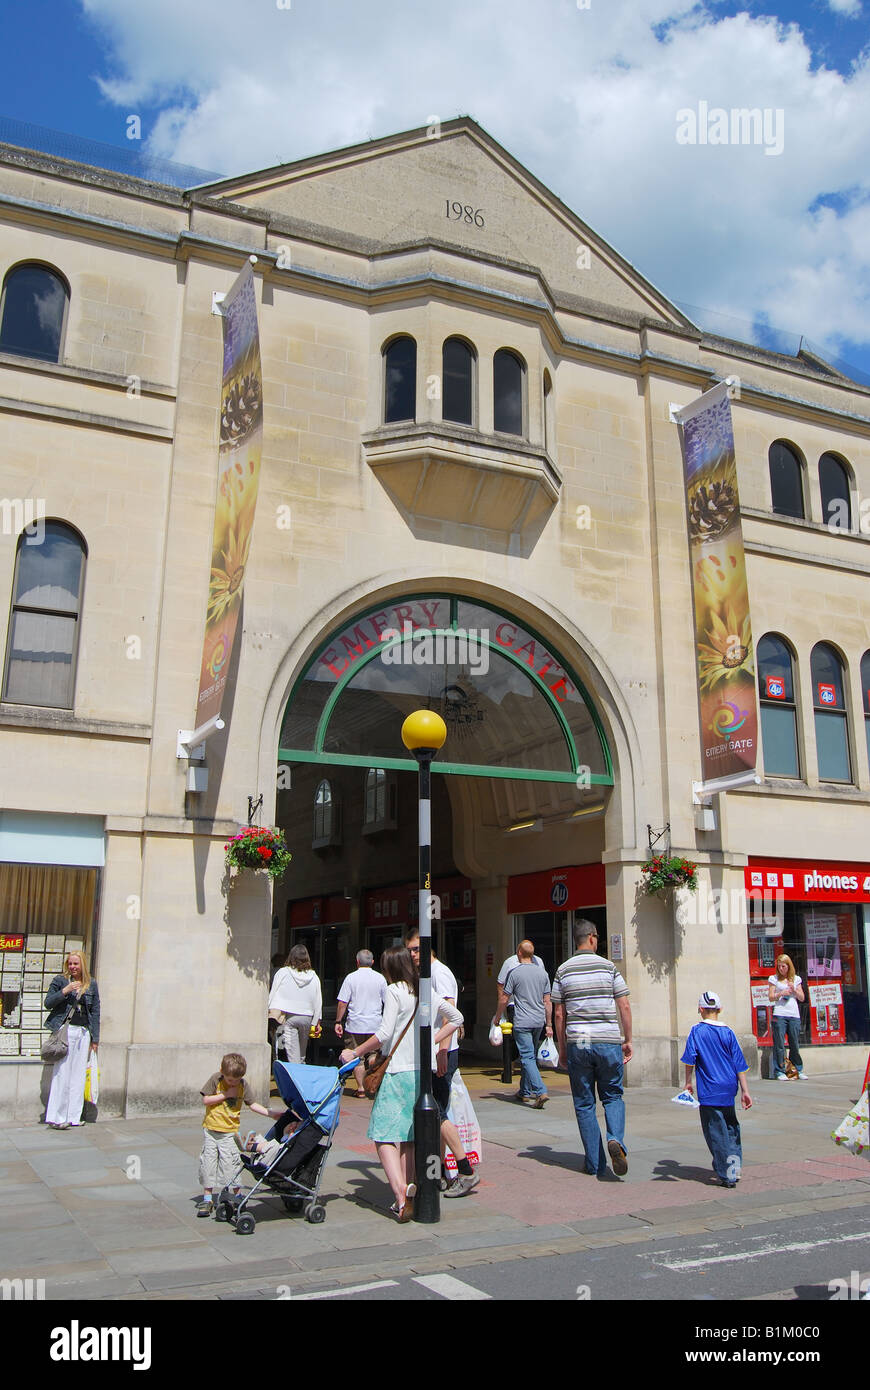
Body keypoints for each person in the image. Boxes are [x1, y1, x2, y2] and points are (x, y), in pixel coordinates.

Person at [339, 946, 463, 1220]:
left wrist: (355, 1052)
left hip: (398, 1073)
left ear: (390, 968)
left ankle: (398, 1192)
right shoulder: (426, 991)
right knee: (408, 1138)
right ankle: (411, 1188)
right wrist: (430, 1041)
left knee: (383, 1133)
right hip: (423, 1073)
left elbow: (383, 1033)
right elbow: (457, 1018)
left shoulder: (395, 992)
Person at [552, 919, 632, 1178]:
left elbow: (559, 1013)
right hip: (608, 1040)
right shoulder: (609, 967)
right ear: (593, 938)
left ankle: (594, 1163)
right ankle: (615, 1138)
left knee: (584, 1103)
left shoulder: (563, 970)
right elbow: (624, 1005)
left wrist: (561, 1048)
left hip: (580, 1041)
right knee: (612, 1096)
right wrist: (627, 1039)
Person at [405, 931, 480, 1198]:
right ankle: (436, 1173)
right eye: (409, 951)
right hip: (436, 1052)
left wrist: (440, 1049)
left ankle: (465, 1170)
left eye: (416, 949)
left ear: (428, 948)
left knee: (438, 1112)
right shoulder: (427, 974)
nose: (412, 955)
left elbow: (451, 1016)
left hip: (442, 1053)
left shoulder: (439, 974)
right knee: (435, 1111)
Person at [197, 1051, 283, 1216]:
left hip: (229, 1132)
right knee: (208, 1163)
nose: (234, 1083)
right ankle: (207, 1199)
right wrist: (224, 1095)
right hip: (211, 1130)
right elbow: (206, 1100)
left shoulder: (242, 1085)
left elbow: (252, 1104)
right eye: (230, 1080)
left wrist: (270, 1113)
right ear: (222, 1072)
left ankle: (237, 1195)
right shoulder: (216, 1079)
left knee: (231, 1164)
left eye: (237, 1080)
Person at [681, 990, 753, 1188]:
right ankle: (735, 1168)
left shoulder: (697, 1031)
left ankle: (726, 1173)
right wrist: (745, 1091)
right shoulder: (728, 1032)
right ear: (719, 1009)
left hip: (709, 1089)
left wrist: (688, 1082)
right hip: (729, 1087)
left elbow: (690, 1059)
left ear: (701, 1009)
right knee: (731, 1128)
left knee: (716, 1132)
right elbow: (739, 1063)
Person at [44, 950, 100, 1130]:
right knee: (62, 1073)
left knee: (78, 1076)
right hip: (65, 1030)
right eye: (70, 963)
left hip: (83, 1032)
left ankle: (74, 1116)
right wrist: (65, 991)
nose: (73, 967)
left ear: (82, 964)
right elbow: (48, 1003)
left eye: (76, 964)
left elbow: (95, 1011)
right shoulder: (60, 981)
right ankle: (57, 1117)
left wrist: (95, 1038)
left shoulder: (91, 984)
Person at [495, 939, 553, 1108]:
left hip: (522, 1021)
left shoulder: (514, 973)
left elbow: (504, 998)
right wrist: (548, 1024)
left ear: (519, 953)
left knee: (527, 1057)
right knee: (531, 1056)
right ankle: (524, 1091)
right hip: (538, 1021)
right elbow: (547, 1001)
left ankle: (541, 1091)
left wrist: (498, 1016)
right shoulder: (543, 973)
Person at [335, 949, 387, 1097]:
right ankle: (373, 1084)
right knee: (374, 1054)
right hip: (375, 1024)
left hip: (355, 1024)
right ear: (372, 962)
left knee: (357, 1057)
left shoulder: (351, 978)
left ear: (357, 962)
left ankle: (360, 1089)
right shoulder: (380, 978)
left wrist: (338, 1021)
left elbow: (342, 1003)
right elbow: (387, 1001)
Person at [268, 944, 322, 1063]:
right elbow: (318, 1000)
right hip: (307, 1018)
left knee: (293, 1057)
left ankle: (294, 1079)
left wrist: (269, 1010)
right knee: (302, 1056)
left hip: (288, 1017)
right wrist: (317, 1020)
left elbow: (273, 992)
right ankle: (302, 1077)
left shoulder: (283, 972)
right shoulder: (314, 976)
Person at [768, 954, 806, 1079]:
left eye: (783, 966)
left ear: (789, 966)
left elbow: (802, 997)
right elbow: (770, 997)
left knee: (794, 1043)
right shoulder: (773, 979)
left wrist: (794, 990)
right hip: (779, 1014)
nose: (781, 969)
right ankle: (780, 1070)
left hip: (793, 1014)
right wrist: (781, 993)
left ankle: (796, 1069)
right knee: (779, 1044)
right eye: (779, 966)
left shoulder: (796, 979)